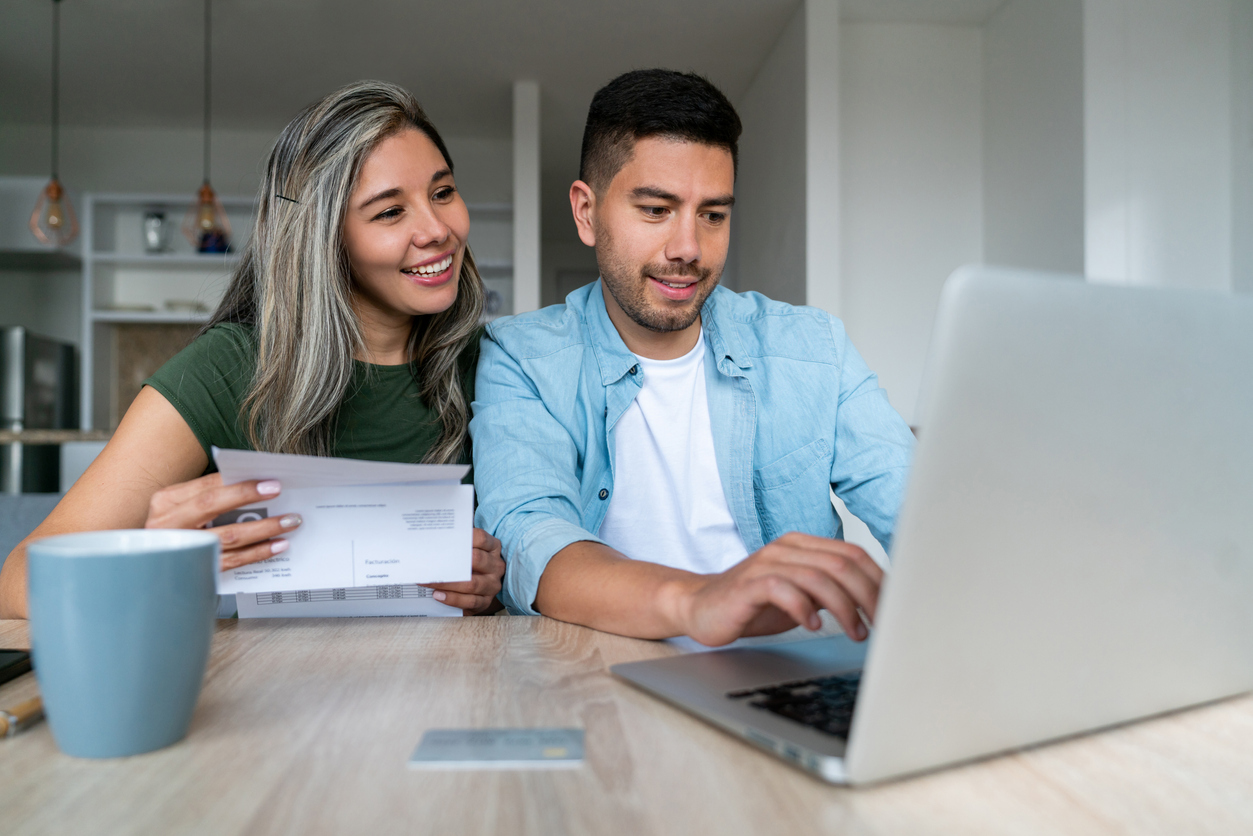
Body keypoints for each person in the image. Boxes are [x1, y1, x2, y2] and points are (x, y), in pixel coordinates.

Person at [0, 81, 504, 619]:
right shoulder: (225, 371)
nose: (438, 229)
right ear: (321, 240)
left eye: (443, 192)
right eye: (388, 212)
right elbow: (15, 586)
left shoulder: (497, 365)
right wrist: (152, 562)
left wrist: (498, 581)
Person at [470, 69, 914, 646]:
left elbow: (922, 514)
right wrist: (698, 599)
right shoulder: (521, 357)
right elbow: (532, 538)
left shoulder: (812, 349)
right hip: (610, 673)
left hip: (794, 672)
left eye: (713, 215)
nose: (688, 249)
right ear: (586, 212)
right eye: (656, 210)